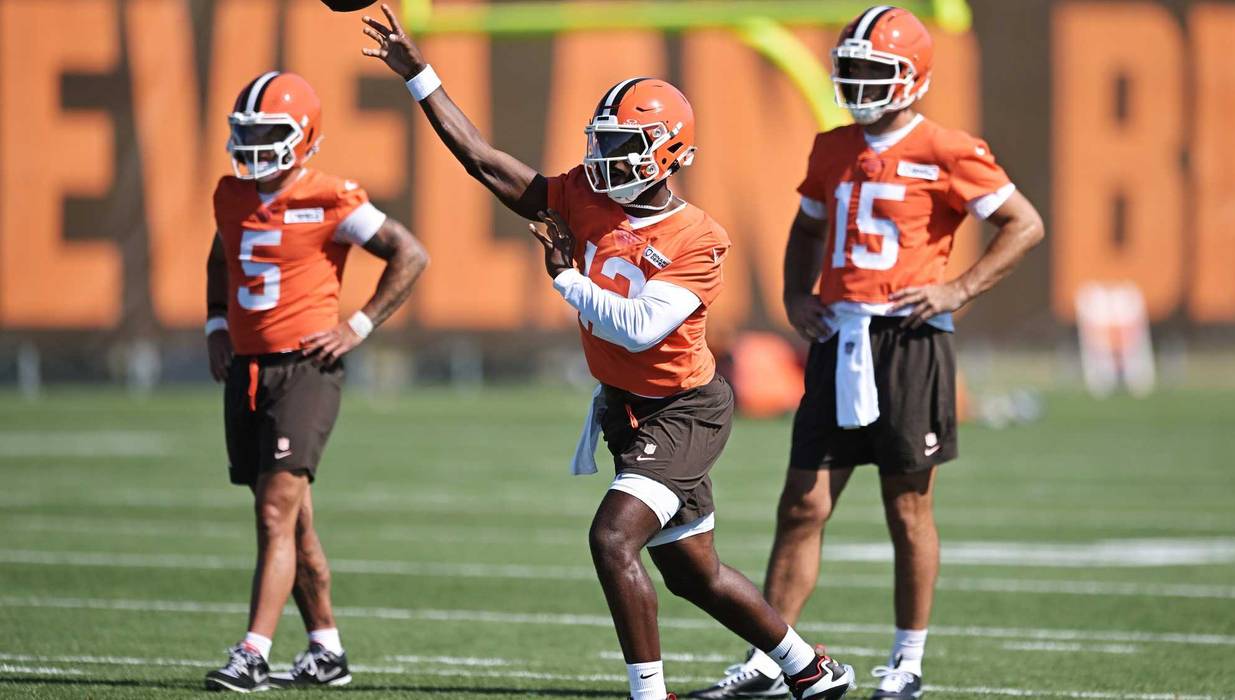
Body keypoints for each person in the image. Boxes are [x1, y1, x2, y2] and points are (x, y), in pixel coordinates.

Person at [359, 5, 855, 699]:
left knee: (611, 539)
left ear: (671, 153)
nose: (606, 160)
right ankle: (809, 667)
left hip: (684, 411)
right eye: (604, 142)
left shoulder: (698, 238)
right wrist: (420, 77)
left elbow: (635, 329)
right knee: (692, 572)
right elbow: (482, 160)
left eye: (626, 146)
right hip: (627, 409)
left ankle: (648, 695)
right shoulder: (582, 194)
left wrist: (564, 276)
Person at [691, 5, 1045, 700]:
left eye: (870, 71)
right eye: (847, 69)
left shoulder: (948, 148)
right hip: (838, 337)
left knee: (906, 506)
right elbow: (805, 228)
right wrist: (797, 295)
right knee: (801, 503)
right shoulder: (831, 146)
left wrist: (960, 287)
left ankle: (906, 661)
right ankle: (773, 657)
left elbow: (1021, 223)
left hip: (908, 340)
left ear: (912, 79)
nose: (855, 82)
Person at [203, 70, 428, 693]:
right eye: (246, 132)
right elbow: (221, 256)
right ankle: (326, 648)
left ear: (304, 136)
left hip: (306, 368)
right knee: (292, 520)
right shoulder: (231, 193)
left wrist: (358, 324)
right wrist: (217, 323)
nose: (254, 145)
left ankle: (252, 652)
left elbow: (409, 253)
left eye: (268, 132)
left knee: (275, 511)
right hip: (247, 369)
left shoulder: (331, 196)